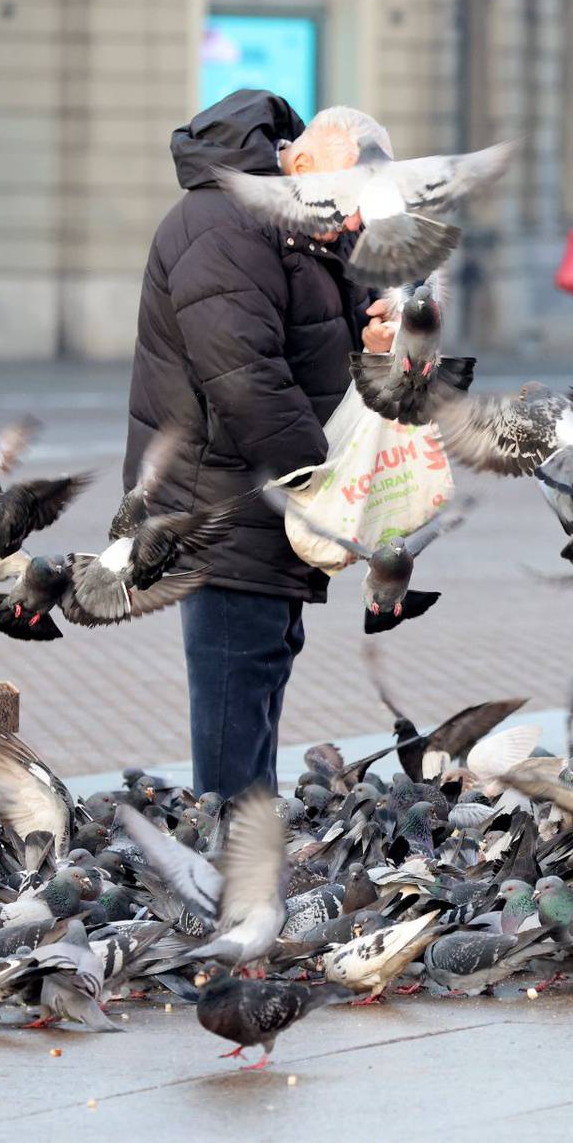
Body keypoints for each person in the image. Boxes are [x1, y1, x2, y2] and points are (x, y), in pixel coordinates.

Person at [123, 90, 395, 800]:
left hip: (260, 505)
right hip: (223, 506)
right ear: (301, 162)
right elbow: (246, 379)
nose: (355, 217)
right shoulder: (223, 225)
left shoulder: (296, 220)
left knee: (258, 689)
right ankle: (225, 887)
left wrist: (377, 335)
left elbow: (325, 335)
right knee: (233, 724)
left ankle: (244, 876)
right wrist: (320, 484)